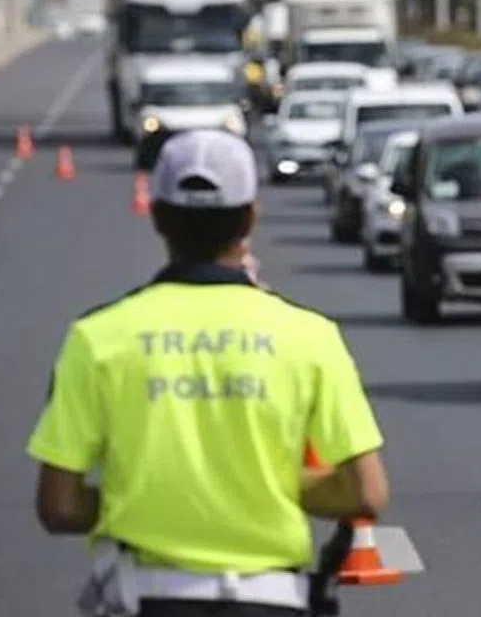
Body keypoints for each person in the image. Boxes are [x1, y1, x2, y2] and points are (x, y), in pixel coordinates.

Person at [26, 129, 390, 617]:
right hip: (271, 601)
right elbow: (365, 492)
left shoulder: (97, 338)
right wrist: (263, 483)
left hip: (146, 599)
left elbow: (59, 506)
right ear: (251, 217)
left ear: (157, 216)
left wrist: (148, 496)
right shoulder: (310, 337)